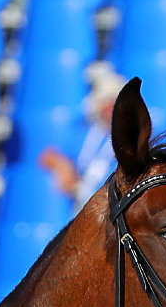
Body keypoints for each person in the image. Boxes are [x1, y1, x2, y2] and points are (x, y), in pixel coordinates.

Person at [39, 69, 122, 211]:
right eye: (106, 103)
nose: (110, 109)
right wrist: (61, 166)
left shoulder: (136, 136)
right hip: (81, 201)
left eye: (114, 102)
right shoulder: (85, 131)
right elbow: (47, 156)